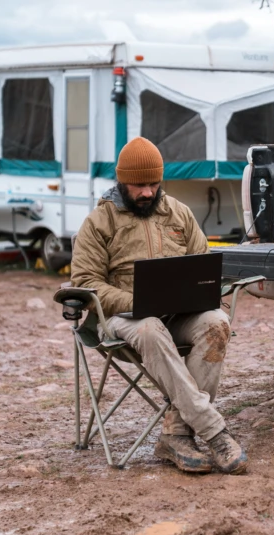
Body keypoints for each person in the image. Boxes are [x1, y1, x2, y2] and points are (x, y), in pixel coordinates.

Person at [70, 137, 248, 475]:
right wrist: (136, 301)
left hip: (178, 312)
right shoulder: (99, 222)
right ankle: (215, 432)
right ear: (122, 181)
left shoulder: (178, 213)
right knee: (151, 328)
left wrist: (204, 291)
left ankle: (176, 435)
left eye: (154, 184)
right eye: (139, 185)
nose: (148, 193)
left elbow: (201, 264)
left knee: (216, 323)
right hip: (122, 320)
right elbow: (86, 283)